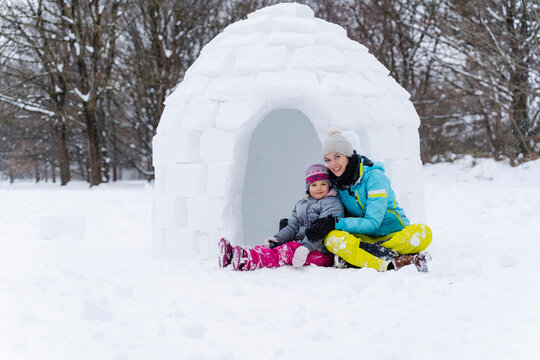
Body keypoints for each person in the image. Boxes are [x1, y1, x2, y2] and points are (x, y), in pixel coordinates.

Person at [306, 129, 432, 272]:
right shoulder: (335, 184)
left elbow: (373, 223)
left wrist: (334, 223)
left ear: (347, 155)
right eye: (328, 160)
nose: (333, 164)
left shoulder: (374, 178)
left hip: (393, 234)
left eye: (337, 156)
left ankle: (363, 257)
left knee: (423, 233)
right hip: (364, 238)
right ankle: (390, 263)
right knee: (332, 239)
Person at [218, 164, 344, 271]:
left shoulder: (332, 204)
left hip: (320, 252)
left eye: (323, 184)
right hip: (299, 246)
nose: (319, 188)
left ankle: (245, 260)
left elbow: (322, 230)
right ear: (308, 187)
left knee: (285, 252)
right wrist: (277, 238)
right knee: (275, 248)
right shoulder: (301, 204)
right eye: (314, 185)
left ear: (329, 186)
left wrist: (306, 247)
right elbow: (292, 227)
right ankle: (233, 254)